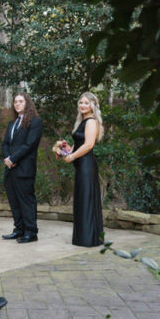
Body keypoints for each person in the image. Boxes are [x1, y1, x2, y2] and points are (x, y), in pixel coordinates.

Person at [53, 91, 104, 247]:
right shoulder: (82, 121)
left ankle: (88, 239)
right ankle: (83, 237)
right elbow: (78, 145)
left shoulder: (91, 121)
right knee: (82, 199)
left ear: (93, 105)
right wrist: (65, 149)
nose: (83, 105)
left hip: (87, 166)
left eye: (86, 103)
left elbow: (88, 145)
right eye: (81, 102)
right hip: (81, 165)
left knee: (86, 199)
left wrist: (72, 157)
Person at [1, 92, 43, 244]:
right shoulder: (12, 123)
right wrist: (8, 158)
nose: (17, 104)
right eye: (15, 102)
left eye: (21, 101)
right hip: (10, 168)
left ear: (27, 103)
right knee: (14, 201)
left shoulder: (35, 122)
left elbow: (29, 144)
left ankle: (31, 232)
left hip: (24, 169)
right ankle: (19, 229)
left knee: (26, 201)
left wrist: (13, 158)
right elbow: (5, 143)